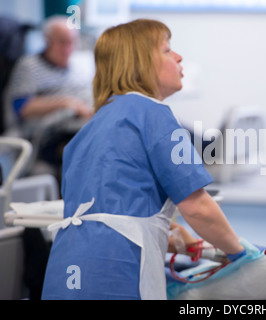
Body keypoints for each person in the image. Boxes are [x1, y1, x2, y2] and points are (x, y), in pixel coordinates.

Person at [41, 19, 245, 300]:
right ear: (139, 63)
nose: (178, 57)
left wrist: (172, 232)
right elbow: (197, 206)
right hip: (116, 271)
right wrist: (241, 254)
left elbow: (109, 203)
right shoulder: (154, 114)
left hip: (65, 270)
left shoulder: (89, 128)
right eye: (167, 50)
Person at [5, 15, 94, 175]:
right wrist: (66, 103)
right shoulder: (29, 66)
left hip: (77, 128)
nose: (68, 48)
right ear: (47, 40)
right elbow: (21, 107)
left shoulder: (78, 68)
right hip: (44, 137)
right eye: (62, 42)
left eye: (71, 42)